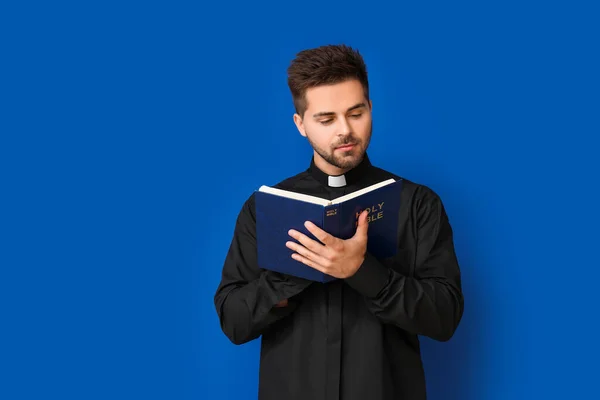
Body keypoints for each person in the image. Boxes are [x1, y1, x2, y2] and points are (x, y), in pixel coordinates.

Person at [213, 44, 464, 400]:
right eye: (326, 119)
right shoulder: (263, 209)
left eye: (356, 113)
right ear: (300, 124)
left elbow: (445, 317)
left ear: (371, 109)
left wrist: (362, 271)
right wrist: (292, 273)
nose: (345, 130)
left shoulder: (418, 203)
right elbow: (233, 322)